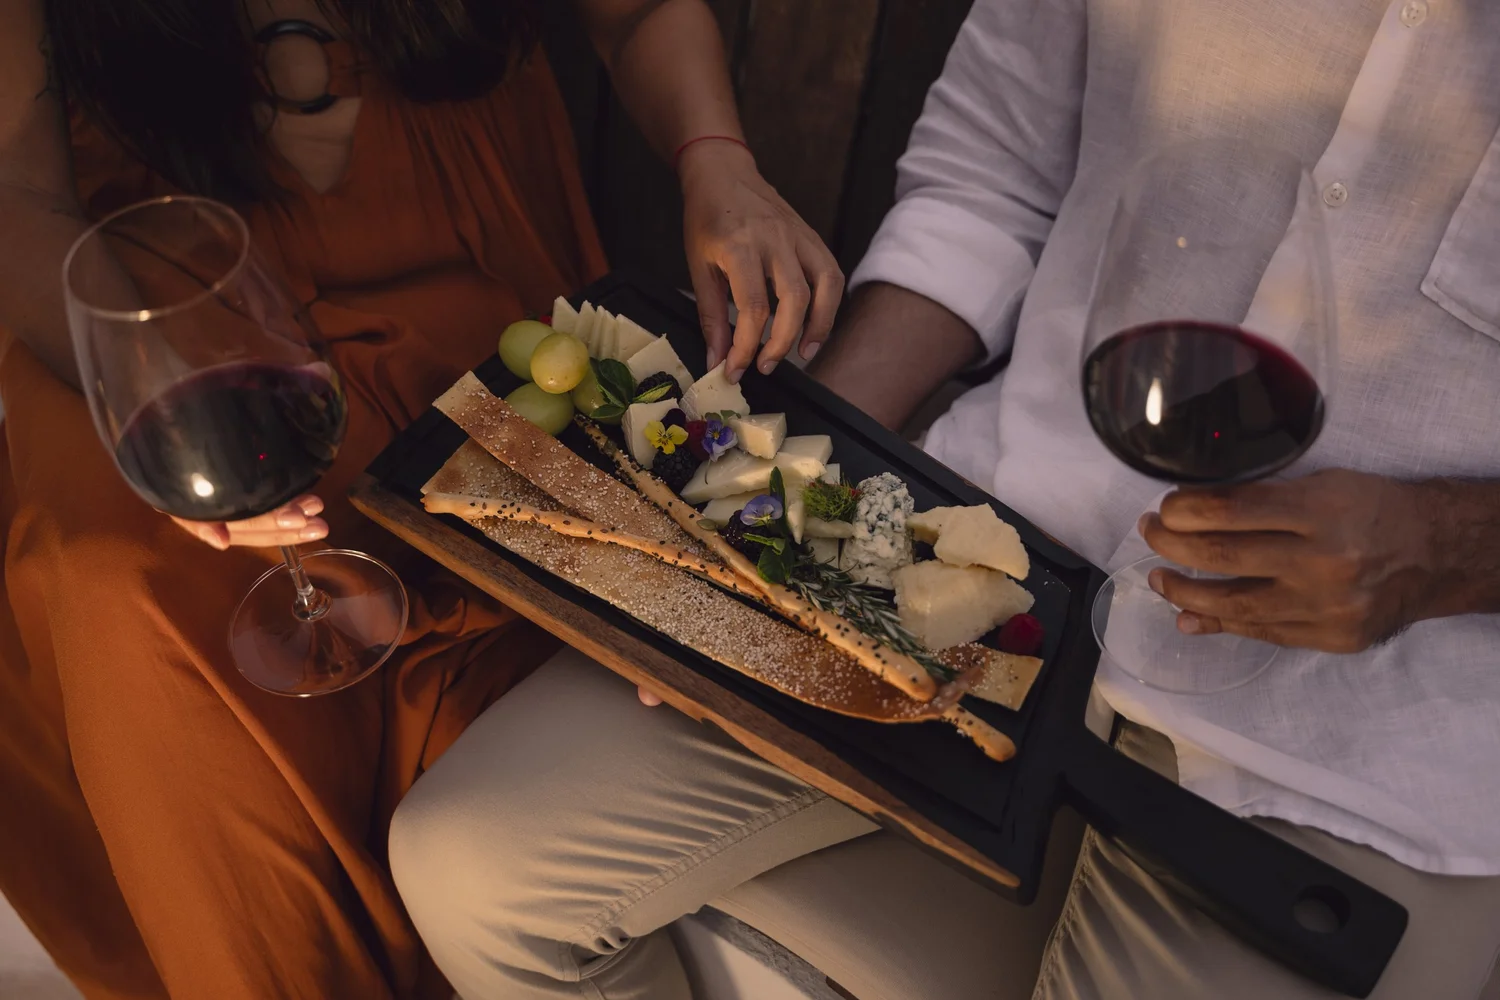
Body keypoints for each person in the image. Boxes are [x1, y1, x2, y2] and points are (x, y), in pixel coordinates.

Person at [389, 0, 1500, 998]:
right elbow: (994, 174)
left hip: (1386, 726)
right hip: (996, 540)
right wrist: (775, 503)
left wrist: (1455, 546)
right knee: (473, 865)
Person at [0, 1, 843, 997]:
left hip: (468, 243)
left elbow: (640, 12)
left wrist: (717, 161)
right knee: (128, 596)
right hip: (155, 288)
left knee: (504, 551)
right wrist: (146, 393)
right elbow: (19, 189)